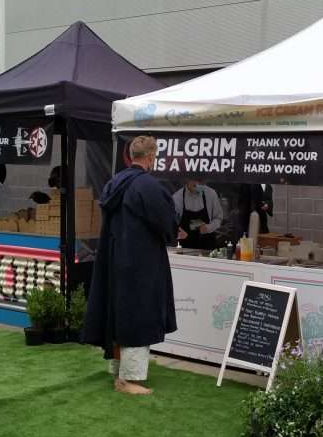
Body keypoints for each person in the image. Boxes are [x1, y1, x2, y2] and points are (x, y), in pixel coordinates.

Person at [83, 136, 177, 395]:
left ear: (130, 156)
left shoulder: (114, 183)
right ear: (149, 157)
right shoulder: (147, 186)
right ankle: (129, 379)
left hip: (113, 259)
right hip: (140, 262)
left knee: (117, 311)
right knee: (139, 313)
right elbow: (167, 222)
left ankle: (118, 369)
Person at [173, 179, 223, 250]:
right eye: (195, 181)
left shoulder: (211, 194)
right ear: (187, 179)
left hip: (207, 248)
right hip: (185, 249)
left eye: (200, 182)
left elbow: (218, 218)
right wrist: (177, 231)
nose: (198, 185)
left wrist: (208, 228)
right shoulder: (177, 198)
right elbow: (171, 223)